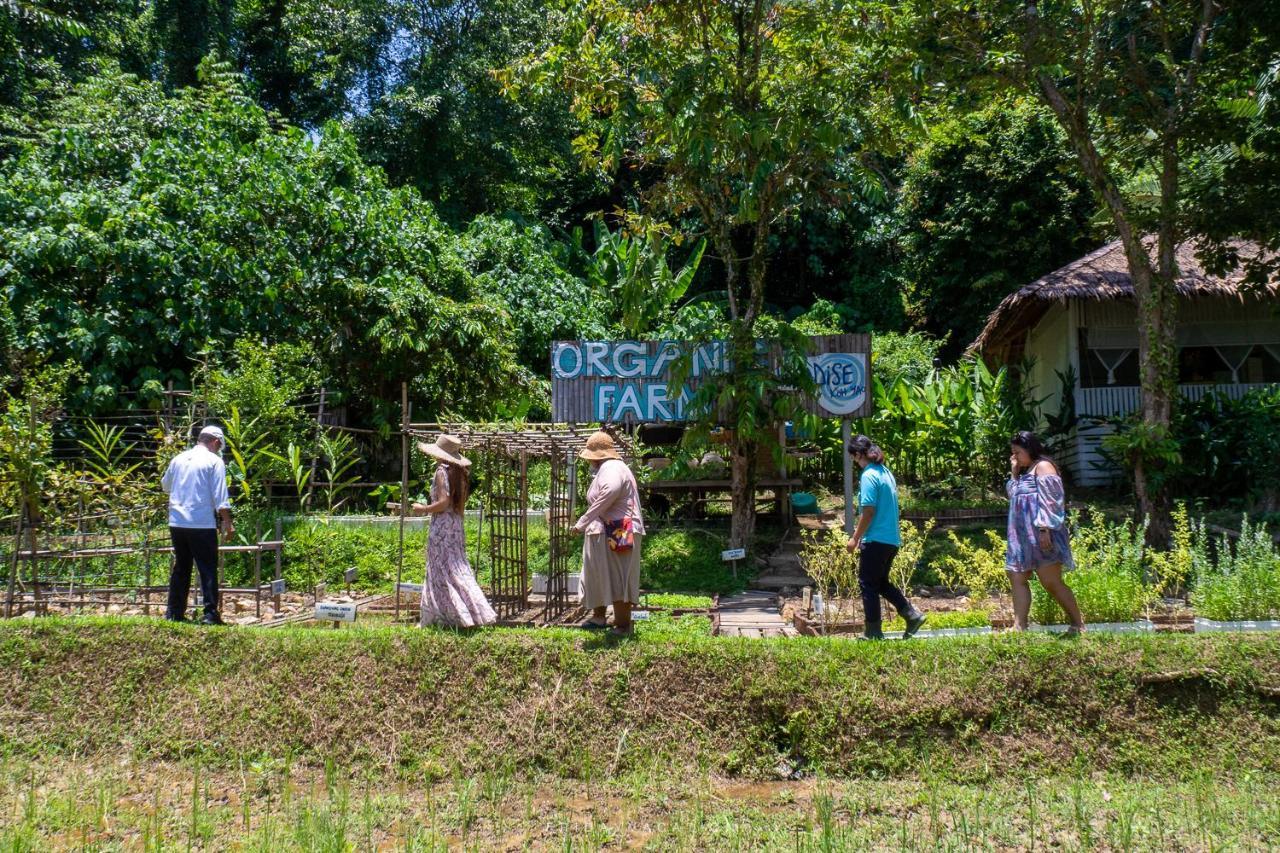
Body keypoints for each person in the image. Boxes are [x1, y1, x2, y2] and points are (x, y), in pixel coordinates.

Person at [845, 435, 926, 640]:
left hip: (876, 539)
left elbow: (869, 511)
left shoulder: (868, 475)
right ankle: (911, 615)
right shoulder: (885, 472)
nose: (854, 461)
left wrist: (855, 538)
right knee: (880, 583)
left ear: (857, 454)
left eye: (853, 457)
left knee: (867, 584)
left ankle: (873, 632)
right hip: (891, 540)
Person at [1006, 431, 1085, 634]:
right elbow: (1013, 496)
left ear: (1029, 449)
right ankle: (1019, 626)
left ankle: (1078, 624)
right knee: (1016, 577)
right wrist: (1014, 472)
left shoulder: (1043, 467)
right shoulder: (1024, 473)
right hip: (1021, 537)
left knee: (1050, 581)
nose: (1014, 457)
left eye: (1017, 452)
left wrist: (1044, 529)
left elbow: (1052, 502)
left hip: (1042, 534)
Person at [418, 435, 496, 628]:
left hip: (442, 526)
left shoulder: (441, 472)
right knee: (456, 568)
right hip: (455, 525)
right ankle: (468, 613)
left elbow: (444, 502)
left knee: (441, 569)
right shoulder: (460, 473)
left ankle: (442, 616)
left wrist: (423, 509)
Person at [572, 431, 645, 636]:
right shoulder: (608, 468)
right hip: (606, 531)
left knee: (619, 578)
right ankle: (599, 617)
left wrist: (582, 521)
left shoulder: (612, 467)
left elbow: (610, 492)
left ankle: (622, 625)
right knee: (598, 575)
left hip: (618, 530)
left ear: (597, 456)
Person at [161, 424, 234, 625]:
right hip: (201, 523)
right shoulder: (214, 461)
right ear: (216, 442)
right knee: (207, 568)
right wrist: (227, 521)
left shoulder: (178, 459)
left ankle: (174, 612)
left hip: (177, 522)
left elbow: (165, 486)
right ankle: (210, 614)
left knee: (181, 567)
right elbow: (220, 496)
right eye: (219, 446)